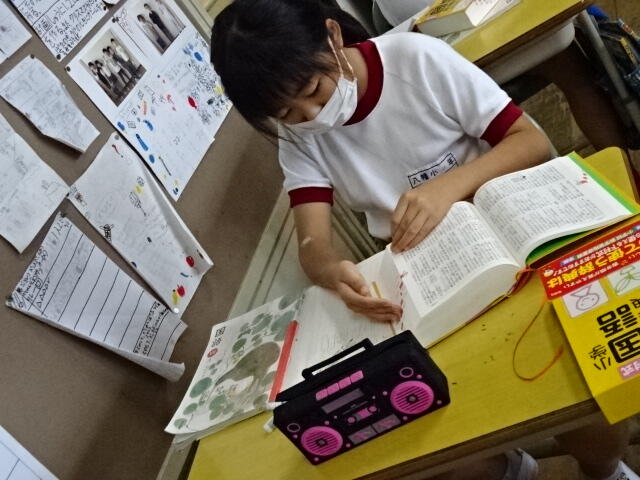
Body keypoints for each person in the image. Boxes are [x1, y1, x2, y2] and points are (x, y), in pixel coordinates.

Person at [210, 1, 638, 479]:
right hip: (429, 269)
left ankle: (605, 469)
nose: (315, 115)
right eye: (289, 113)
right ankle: (514, 467)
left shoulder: (415, 60)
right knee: (431, 437)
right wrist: (331, 269)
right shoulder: (300, 138)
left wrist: (447, 187)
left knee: (580, 391)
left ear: (333, 34)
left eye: (314, 90)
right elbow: (312, 244)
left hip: (511, 230)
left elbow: (529, 141)